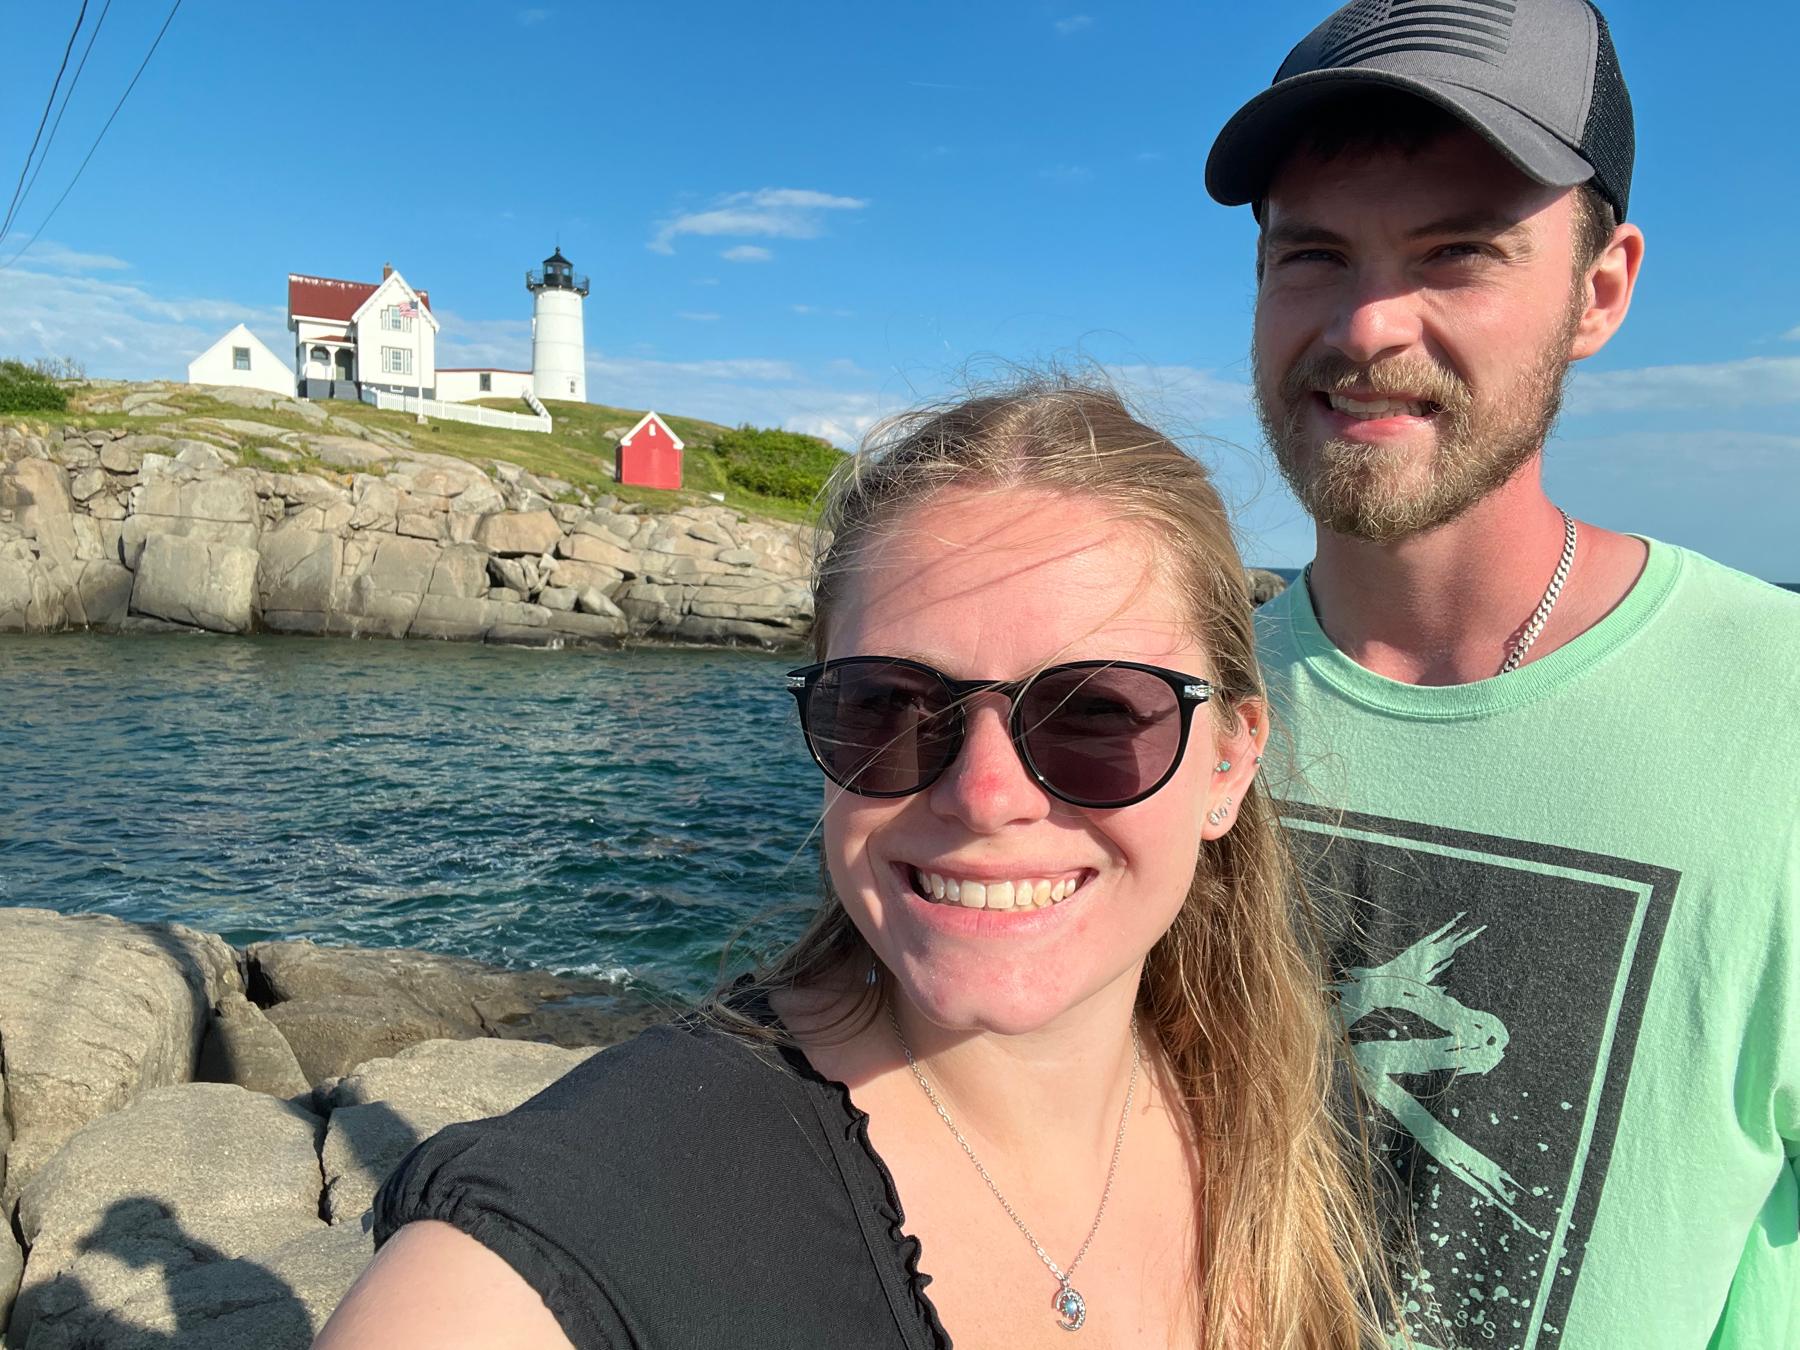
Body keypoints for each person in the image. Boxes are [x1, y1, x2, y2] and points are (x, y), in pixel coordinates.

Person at [313, 382, 1402, 1349]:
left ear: (1227, 762)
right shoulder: (593, 1214)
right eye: (888, 709)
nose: (985, 796)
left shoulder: (1279, 1107)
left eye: (1096, 717)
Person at [1204, 1, 1800, 1346]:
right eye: (1313, 252)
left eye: (1458, 252)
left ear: (1601, 289)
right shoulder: (1160, 715)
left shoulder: (1780, 713)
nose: (1367, 324)